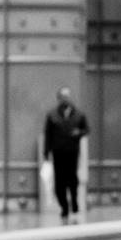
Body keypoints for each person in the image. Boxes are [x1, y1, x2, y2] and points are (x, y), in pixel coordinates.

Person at [42, 87, 89, 221]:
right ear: (59, 98)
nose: (65, 99)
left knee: (72, 178)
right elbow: (48, 135)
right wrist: (46, 153)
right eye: (63, 96)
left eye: (67, 96)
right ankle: (64, 206)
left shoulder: (79, 114)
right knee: (59, 182)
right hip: (58, 152)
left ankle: (74, 200)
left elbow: (86, 129)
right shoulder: (52, 115)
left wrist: (78, 133)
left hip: (72, 151)